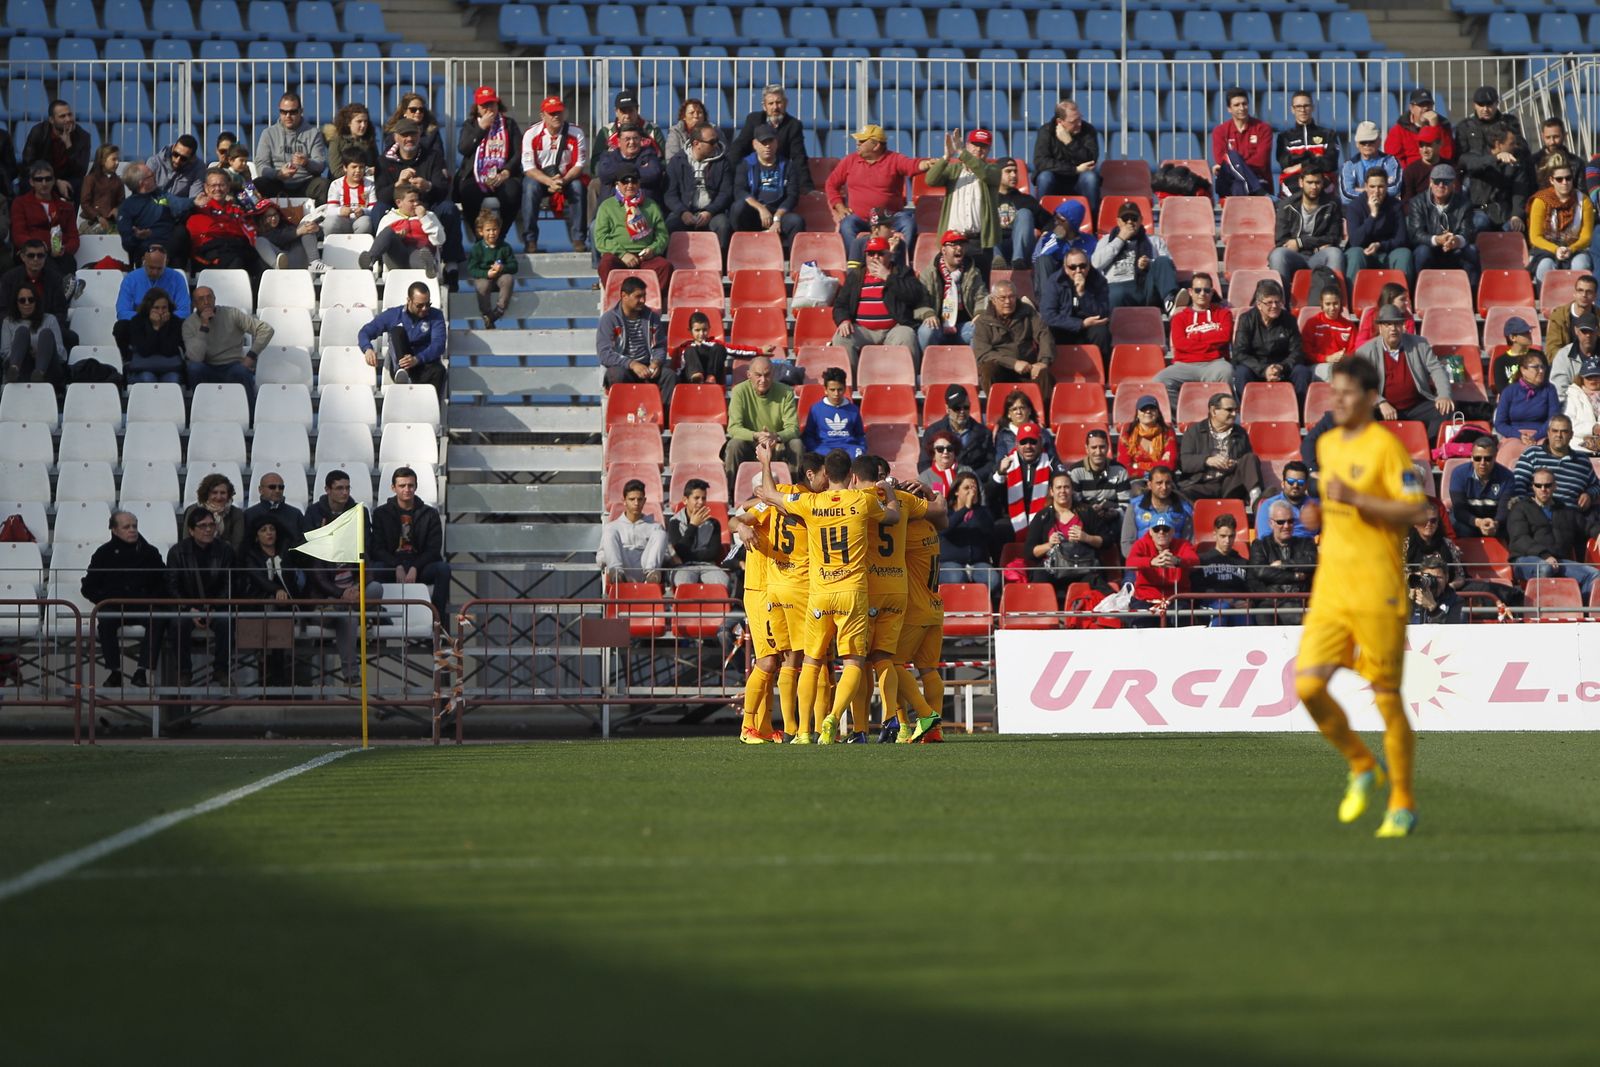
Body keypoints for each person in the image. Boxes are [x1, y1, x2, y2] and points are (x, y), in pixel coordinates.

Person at [1293, 356, 1430, 836]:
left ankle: (1402, 801)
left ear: (1371, 398)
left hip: (1378, 592)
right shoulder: (1327, 444)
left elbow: (1417, 510)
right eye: (1334, 390)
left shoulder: (1387, 449)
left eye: (1347, 392)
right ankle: (1362, 764)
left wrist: (1356, 499)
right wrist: (1319, 516)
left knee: (1386, 698)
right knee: (1307, 687)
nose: (1337, 399)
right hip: (1331, 590)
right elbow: (1334, 506)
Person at [752, 444, 899, 745]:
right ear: (851, 476)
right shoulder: (861, 501)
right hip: (852, 592)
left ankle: (803, 732)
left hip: (820, 593)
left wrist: (766, 462)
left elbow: (770, 495)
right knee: (854, 661)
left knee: (811, 661)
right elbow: (892, 517)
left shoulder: (810, 502)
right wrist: (891, 492)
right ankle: (833, 717)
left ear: (826, 474)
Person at [825, 124, 934, 266]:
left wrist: (927, 164)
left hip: (890, 218)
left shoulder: (894, 159)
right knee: (847, 225)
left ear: (876, 145)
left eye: (862, 141)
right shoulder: (850, 160)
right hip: (860, 218)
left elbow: (912, 165)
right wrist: (840, 207)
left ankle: (896, 264)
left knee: (908, 224)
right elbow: (831, 184)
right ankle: (859, 265)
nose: (858, 144)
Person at [82, 511, 167, 688]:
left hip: (143, 605)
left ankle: (142, 671)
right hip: (115, 606)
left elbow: (163, 581)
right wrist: (107, 599)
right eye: (127, 527)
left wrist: (151, 598)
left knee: (158, 618)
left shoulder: (150, 552)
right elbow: (88, 587)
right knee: (106, 619)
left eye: (134, 526)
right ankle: (114, 671)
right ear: (114, 530)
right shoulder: (104, 553)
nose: (132, 530)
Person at [1351, 304, 1456, 442]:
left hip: (1415, 406)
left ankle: (1428, 446)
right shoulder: (1365, 351)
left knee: (1446, 410)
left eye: (1397, 324)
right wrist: (1380, 402)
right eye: (1388, 324)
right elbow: (1361, 384)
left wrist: (1443, 395)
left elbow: (1437, 369)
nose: (1393, 329)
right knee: (1360, 414)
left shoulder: (1420, 344)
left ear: (1403, 326)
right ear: (1380, 328)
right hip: (1382, 408)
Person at [165, 506, 237, 686]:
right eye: (202, 526)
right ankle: (184, 672)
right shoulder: (177, 552)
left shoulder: (225, 551)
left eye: (211, 525)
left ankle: (221, 670)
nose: (208, 529)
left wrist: (213, 607)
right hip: (187, 607)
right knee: (178, 623)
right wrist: (189, 609)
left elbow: (229, 584)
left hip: (216, 606)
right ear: (191, 530)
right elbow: (172, 586)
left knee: (226, 622)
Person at [830, 235, 924, 371]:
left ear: (889, 255)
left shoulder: (902, 272)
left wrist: (888, 277)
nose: (875, 257)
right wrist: (844, 320)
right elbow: (840, 304)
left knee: (907, 335)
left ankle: (907, 380)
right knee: (841, 338)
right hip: (862, 329)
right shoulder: (856, 275)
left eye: (880, 254)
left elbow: (914, 295)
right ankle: (850, 381)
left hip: (893, 328)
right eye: (871, 254)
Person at [375, 117, 462, 263]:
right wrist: (398, 184)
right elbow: (381, 195)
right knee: (378, 209)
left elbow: (443, 190)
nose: (409, 138)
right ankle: (378, 259)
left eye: (413, 134)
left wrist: (428, 186)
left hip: (427, 206)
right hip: (397, 208)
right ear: (396, 137)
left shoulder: (433, 157)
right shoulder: (383, 160)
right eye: (404, 135)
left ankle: (451, 263)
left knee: (449, 208)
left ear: (419, 134)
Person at [370, 466, 449, 621]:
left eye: (410, 485)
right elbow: (377, 548)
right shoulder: (381, 513)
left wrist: (415, 567)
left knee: (443, 569)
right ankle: (379, 621)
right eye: (402, 485)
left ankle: (437, 621)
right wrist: (397, 565)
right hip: (392, 565)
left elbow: (433, 549)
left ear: (416, 487)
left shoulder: (430, 514)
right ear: (393, 488)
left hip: (420, 566)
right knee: (374, 569)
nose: (407, 489)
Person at [1507, 470, 1598, 598]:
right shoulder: (1520, 509)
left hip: (1558, 561)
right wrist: (1544, 555)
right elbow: (1520, 539)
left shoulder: (1565, 510)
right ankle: (1541, 608)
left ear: (1555, 486)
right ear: (1533, 487)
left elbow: (1587, 525)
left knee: (1594, 575)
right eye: (1538, 485)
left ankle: (1580, 608)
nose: (1543, 489)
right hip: (1526, 560)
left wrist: (1598, 533)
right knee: (1545, 568)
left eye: (1548, 485)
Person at [925, 129, 1002, 272]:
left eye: (983, 146)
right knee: (949, 282)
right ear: (967, 145)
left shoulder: (993, 170)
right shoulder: (954, 170)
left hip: (978, 241)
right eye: (975, 145)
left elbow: (985, 174)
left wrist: (961, 152)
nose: (978, 149)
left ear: (989, 149)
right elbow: (930, 180)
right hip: (952, 239)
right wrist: (946, 157)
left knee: (980, 283)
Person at [181, 286, 274, 404]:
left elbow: (266, 330)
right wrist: (204, 326)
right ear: (194, 304)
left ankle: (249, 413)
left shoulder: (231, 314)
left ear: (214, 299)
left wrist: (250, 357)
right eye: (201, 299)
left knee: (241, 371)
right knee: (194, 368)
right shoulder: (188, 324)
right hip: (207, 366)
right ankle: (202, 407)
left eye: (209, 297)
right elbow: (196, 358)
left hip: (232, 365)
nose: (206, 302)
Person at [518, 96, 587, 254]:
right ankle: (530, 240)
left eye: (559, 113)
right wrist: (550, 182)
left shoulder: (576, 133)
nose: (556, 116)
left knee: (578, 187)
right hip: (540, 178)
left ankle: (579, 238)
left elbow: (579, 165)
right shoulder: (531, 134)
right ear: (542, 116)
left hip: (566, 178)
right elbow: (529, 168)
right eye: (551, 113)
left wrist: (563, 181)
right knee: (529, 188)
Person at [453, 86, 522, 243]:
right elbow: (464, 149)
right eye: (484, 105)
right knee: (468, 193)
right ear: (477, 107)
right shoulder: (470, 125)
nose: (488, 109)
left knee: (513, 193)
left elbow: (518, 153)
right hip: (476, 175)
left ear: (498, 105)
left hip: (503, 174)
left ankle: (499, 236)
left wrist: (506, 172)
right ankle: (480, 237)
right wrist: (481, 128)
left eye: (491, 104)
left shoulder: (509, 124)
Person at [596, 275, 674, 411]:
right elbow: (605, 354)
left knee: (669, 376)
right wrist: (632, 364)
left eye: (644, 296)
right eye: (638, 296)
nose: (642, 300)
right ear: (624, 296)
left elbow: (660, 346)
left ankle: (662, 418)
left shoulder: (652, 317)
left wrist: (656, 362)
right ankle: (623, 416)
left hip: (647, 368)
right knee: (617, 374)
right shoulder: (609, 319)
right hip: (624, 368)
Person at [1157, 272, 1233, 411]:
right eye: (1198, 290)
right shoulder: (1179, 317)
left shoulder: (1224, 314)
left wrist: (1195, 338)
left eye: (1206, 290)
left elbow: (1225, 337)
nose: (1202, 294)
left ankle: (1219, 414)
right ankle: (1184, 414)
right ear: (1190, 292)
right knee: (1160, 381)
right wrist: (1211, 343)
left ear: (1212, 292)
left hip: (1214, 363)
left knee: (1226, 371)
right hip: (1185, 365)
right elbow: (1180, 344)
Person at [1024, 471, 1104, 599]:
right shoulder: (1043, 516)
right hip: (1053, 570)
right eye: (1058, 487)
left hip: (1082, 568)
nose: (1063, 491)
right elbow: (1029, 552)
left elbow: (1106, 540)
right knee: (1039, 577)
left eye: (1066, 487)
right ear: (1051, 491)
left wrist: (1086, 538)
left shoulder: (1086, 512)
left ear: (1072, 490)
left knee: (1096, 581)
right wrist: (1049, 545)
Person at [358, 281, 447, 396]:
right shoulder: (394, 315)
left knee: (440, 371)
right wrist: (367, 349)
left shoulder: (435, 316)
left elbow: (438, 344)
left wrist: (417, 359)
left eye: (428, 304)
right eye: (419, 305)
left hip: (424, 363)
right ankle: (402, 372)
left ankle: (431, 405)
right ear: (409, 301)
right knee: (397, 331)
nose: (424, 308)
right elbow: (365, 332)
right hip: (401, 363)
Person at [724, 355, 800, 488]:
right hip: (749, 444)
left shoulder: (786, 392)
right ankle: (730, 491)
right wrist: (756, 435)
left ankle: (796, 489)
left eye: (767, 375)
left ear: (773, 374)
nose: (763, 380)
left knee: (796, 444)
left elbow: (793, 428)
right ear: (749, 375)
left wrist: (776, 436)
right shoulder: (739, 391)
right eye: (758, 375)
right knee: (734, 445)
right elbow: (733, 428)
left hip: (776, 445)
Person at [593, 165, 671, 291]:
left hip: (645, 257)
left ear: (639, 183)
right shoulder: (607, 206)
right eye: (625, 181)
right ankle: (617, 299)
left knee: (664, 266)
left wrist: (653, 250)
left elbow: (662, 235)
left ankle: (651, 299)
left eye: (634, 181)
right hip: (619, 257)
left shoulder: (651, 205)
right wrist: (622, 254)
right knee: (606, 264)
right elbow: (601, 238)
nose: (630, 185)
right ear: (617, 184)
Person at [1090, 198, 1177, 311]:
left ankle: (1170, 302)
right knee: (1115, 293)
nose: (1130, 222)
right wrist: (1120, 239)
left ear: (1141, 220)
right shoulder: (1106, 240)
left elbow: (1169, 266)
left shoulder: (1154, 240)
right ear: (1118, 221)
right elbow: (1095, 264)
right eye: (1125, 219)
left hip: (1145, 286)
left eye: (1134, 218)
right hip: (1117, 285)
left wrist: (1150, 264)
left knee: (1163, 260)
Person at [1179, 392, 1263, 503]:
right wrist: (1207, 460)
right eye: (1229, 410)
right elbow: (1184, 462)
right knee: (1182, 494)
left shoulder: (1240, 433)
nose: (1234, 414)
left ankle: (1256, 499)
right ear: (1213, 411)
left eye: (1236, 410)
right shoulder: (1194, 432)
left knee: (1251, 458)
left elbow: (1247, 464)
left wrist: (1234, 463)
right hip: (1203, 483)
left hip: (1230, 483)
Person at [1232, 279, 1310, 399]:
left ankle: (1299, 408)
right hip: (1256, 366)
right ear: (1259, 305)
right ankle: (1246, 408)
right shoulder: (1246, 319)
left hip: (1282, 366)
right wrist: (1264, 370)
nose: (1274, 306)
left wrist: (1280, 367)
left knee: (1302, 372)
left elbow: (1297, 352)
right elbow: (1240, 353)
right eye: (1269, 303)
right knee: (1241, 373)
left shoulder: (1289, 320)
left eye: (1277, 302)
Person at [1406, 163, 1480, 288]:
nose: (1440, 185)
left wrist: (1457, 240)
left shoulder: (1464, 204)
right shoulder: (1417, 203)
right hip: (1430, 248)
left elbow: (1468, 231)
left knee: (1471, 250)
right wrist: (1437, 239)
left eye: (1446, 182)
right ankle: (1419, 290)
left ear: (1453, 184)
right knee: (1422, 252)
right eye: (1437, 181)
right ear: (1430, 183)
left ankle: (1472, 294)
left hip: (1454, 250)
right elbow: (1416, 234)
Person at [915, 229, 988, 354]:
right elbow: (919, 300)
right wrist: (928, 314)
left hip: (962, 327)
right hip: (937, 326)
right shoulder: (929, 273)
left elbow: (981, 296)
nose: (959, 248)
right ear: (943, 250)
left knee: (981, 328)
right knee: (926, 331)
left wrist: (980, 312)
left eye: (962, 245)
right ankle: (928, 362)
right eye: (954, 245)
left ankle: (974, 364)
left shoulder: (972, 272)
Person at [730, 123, 802, 250]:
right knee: (738, 208)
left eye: (771, 141)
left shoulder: (788, 166)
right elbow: (739, 191)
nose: (767, 146)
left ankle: (792, 259)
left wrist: (777, 217)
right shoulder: (746, 164)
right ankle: (743, 249)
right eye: (763, 142)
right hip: (754, 213)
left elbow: (792, 196)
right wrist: (760, 208)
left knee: (796, 221)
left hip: (778, 213)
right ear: (755, 144)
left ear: (776, 143)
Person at [728, 85, 811, 194]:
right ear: (764, 106)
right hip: (753, 172)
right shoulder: (754, 119)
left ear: (786, 103)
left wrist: (806, 187)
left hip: (778, 175)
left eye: (778, 102)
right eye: (771, 103)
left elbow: (798, 157)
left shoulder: (794, 125)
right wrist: (732, 177)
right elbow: (738, 147)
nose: (775, 107)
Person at [663, 123, 733, 251]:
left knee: (723, 225)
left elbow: (725, 193)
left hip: (712, 213)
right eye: (711, 142)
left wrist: (710, 211)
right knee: (670, 225)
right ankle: (672, 262)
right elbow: (670, 194)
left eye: (717, 140)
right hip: (684, 211)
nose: (716, 145)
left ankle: (721, 262)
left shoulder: (723, 162)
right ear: (696, 144)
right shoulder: (677, 161)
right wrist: (682, 212)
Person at [1527, 154, 1594, 285]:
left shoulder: (1584, 201)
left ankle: (1578, 297)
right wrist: (1555, 249)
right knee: (1545, 265)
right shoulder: (1540, 201)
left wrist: (1571, 249)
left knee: (1581, 264)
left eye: (1568, 178)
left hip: (1575, 249)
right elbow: (1535, 237)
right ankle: (1545, 296)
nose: (1565, 182)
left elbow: (1586, 237)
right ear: (1552, 180)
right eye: (1559, 179)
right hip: (1546, 250)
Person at [186, 169, 263, 282]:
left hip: (237, 248)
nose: (217, 189)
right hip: (210, 254)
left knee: (261, 267)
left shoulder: (236, 209)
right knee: (237, 261)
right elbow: (208, 231)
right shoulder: (198, 208)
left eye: (222, 185)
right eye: (213, 185)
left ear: (228, 187)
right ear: (206, 188)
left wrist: (225, 227)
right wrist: (231, 228)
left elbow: (250, 228)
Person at [1459, 121, 1533, 235]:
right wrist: (1496, 159)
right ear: (1498, 144)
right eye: (1511, 144)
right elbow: (1470, 163)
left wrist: (1517, 215)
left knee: (1514, 228)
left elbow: (1520, 191)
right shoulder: (1476, 155)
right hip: (1478, 211)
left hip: (1503, 213)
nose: (1515, 147)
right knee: (1480, 223)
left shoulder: (1516, 162)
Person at [1343, 166, 1414, 285]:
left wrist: (1380, 245)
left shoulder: (1396, 206)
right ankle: (1351, 295)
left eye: (1380, 186)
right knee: (1355, 253)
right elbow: (1355, 241)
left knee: (1404, 254)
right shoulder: (1355, 207)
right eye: (1372, 186)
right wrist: (1373, 216)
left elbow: (1402, 239)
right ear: (1366, 186)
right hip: (1363, 252)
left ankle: (1402, 294)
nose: (1376, 191)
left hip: (1388, 251)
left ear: (1386, 186)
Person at [1511, 414, 1600, 507]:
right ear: (1548, 433)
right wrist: (1525, 510)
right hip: (1536, 512)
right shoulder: (1532, 454)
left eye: (1564, 432)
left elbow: (1597, 485)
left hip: (1571, 513)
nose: (1559, 435)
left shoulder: (1582, 460)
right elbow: (1518, 485)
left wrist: (1589, 495)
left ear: (1571, 435)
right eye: (1555, 431)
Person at [254, 92, 330, 201]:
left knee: (323, 185)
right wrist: (278, 174)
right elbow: (261, 165)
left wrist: (306, 163)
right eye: (283, 112)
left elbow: (320, 164)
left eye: (293, 112)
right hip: (278, 183)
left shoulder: (314, 133)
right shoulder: (268, 133)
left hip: (305, 183)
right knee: (258, 184)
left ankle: (319, 212)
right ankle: (266, 212)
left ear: (301, 111)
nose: (288, 116)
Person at [1251, 498, 1319, 617]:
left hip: (1299, 601)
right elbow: (1261, 571)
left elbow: (1311, 562)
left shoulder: (1306, 542)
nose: (1286, 526)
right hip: (1270, 603)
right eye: (1280, 522)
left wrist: (1284, 564)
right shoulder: (1260, 545)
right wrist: (1295, 576)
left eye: (1290, 521)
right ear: (1271, 523)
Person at [12, 163, 80, 283]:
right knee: (43, 261)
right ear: (31, 182)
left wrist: (65, 248)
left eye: (48, 179)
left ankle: (67, 287)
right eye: (39, 179)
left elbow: (74, 238)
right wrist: (38, 246)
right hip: (33, 252)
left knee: (69, 261)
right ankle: (64, 286)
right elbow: (18, 234)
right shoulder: (21, 203)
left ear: (54, 181)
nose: (44, 183)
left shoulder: (66, 207)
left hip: (60, 253)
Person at [990, 422, 1056, 542]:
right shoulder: (1005, 463)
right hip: (1011, 517)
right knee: (998, 529)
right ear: (1016, 444)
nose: (1028, 446)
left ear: (1040, 442)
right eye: (1023, 442)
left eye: (1033, 442)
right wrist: (1000, 474)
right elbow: (989, 495)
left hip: (1044, 515)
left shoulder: (1051, 463)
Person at [940, 471, 1001, 601]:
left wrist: (975, 508)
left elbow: (989, 530)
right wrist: (965, 508)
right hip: (949, 564)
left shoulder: (982, 512)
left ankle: (979, 607)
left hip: (977, 564)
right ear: (956, 491)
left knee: (993, 580)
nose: (971, 491)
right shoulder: (945, 512)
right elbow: (945, 528)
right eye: (966, 488)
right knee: (957, 578)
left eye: (974, 488)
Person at [1041, 250, 1111, 361]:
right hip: (1064, 327)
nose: (1078, 271)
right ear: (1065, 268)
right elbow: (1048, 316)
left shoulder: (1098, 280)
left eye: (1082, 266)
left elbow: (1102, 313)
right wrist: (1081, 324)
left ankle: (1103, 369)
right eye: (1072, 267)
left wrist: (1082, 293)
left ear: (1088, 266)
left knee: (1101, 332)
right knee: (1048, 333)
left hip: (1090, 327)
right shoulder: (1054, 282)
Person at [362, 182, 444, 276]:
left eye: (417, 200)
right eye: (411, 201)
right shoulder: (388, 218)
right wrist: (397, 237)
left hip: (418, 254)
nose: (416, 204)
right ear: (399, 203)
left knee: (422, 254)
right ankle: (369, 259)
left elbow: (440, 240)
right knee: (389, 232)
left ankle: (429, 267)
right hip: (397, 258)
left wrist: (424, 218)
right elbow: (380, 242)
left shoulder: (429, 216)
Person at [1125, 519, 1199, 624]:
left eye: (1166, 529)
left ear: (1172, 532)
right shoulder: (1141, 544)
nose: (1161, 532)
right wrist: (1151, 562)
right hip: (1145, 599)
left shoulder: (1183, 545)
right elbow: (1130, 562)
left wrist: (1177, 560)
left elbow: (1195, 560)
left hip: (1176, 599)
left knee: (1182, 620)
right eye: (1156, 529)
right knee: (1141, 622)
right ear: (1150, 532)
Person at [1067, 428, 1131, 546]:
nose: (1098, 452)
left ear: (1108, 447)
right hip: (1086, 520)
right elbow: (1073, 505)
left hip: (1113, 519)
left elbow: (1126, 505)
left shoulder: (1120, 470)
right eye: (1094, 447)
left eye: (1102, 447)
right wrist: (1090, 511)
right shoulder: (1075, 471)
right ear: (1086, 449)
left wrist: (1114, 513)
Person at [1032, 99, 1101, 207]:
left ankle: (1093, 216)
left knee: (1090, 178)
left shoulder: (1088, 130)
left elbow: (1090, 160)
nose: (1079, 124)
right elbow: (1041, 162)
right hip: (1055, 179)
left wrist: (1070, 142)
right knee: (1044, 177)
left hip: (1079, 180)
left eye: (1080, 118)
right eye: (1073, 121)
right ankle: (1042, 215)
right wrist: (1074, 170)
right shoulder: (1046, 131)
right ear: (1060, 121)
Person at [923, 384, 997, 481]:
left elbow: (990, 464)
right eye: (957, 408)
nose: (962, 411)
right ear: (947, 409)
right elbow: (924, 464)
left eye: (966, 407)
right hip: (940, 483)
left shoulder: (984, 433)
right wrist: (943, 479)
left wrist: (970, 478)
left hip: (972, 483)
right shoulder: (932, 432)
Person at [21, 100, 91, 201]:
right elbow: (28, 164)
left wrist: (69, 146)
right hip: (43, 176)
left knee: (81, 184)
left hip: (68, 179)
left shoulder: (83, 136)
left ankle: (71, 211)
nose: (68, 119)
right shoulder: (39, 132)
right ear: (51, 120)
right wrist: (55, 181)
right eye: (62, 116)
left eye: (70, 115)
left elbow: (81, 171)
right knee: (27, 182)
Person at [666, 478, 729, 590]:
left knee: (723, 582)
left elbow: (713, 553)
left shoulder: (714, 523)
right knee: (684, 583)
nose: (701, 502)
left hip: (708, 566)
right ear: (685, 500)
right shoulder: (674, 522)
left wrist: (689, 555)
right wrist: (693, 526)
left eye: (703, 498)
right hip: (683, 567)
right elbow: (679, 551)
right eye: (696, 498)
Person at [117, 163, 186, 264]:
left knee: (181, 232)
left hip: (171, 250)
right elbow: (127, 243)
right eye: (151, 175)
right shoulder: (126, 207)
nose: (155, 177)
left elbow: (180, 206)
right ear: (142, 183)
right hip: (146, 255)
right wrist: (137, 237)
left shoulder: (161, 196)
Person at [1276, 91, 1340, 200]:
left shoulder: (1328, 134)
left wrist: (1301, 164)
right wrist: (1314, 156)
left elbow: (1330, 164)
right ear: (1292, 109)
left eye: (1306, 106)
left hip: (1322, 181)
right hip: (1292, 183)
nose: (1303, 110)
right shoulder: (1284, 137)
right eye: (1298, 106)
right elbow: (1285, 164)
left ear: (1312, 108)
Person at [1211, 88, 1274, 198]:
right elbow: (1221, 160)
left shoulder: (1263, 129)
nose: (1242, 108)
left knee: (1238, 184)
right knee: (1232, 156)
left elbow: (1261, 161)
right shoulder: (1220, 131)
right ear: (1229, 109)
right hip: (1231, 181)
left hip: (1259, 178)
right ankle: (1257, 189)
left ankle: (1254, 188)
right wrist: (1235, 161)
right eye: (1237, 105)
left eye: (1244, 104)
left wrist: (1236, 163)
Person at [1119, 465, 1193, 557]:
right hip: (1143, 562)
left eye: (1168, 483)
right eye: (1159, 483)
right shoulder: (1134, 507)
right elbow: (1126, 545)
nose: (1164, 487)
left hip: (1173, 562)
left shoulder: (1184, 509)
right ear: (1149, 485)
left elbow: (1189, 543)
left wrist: (1171, 560)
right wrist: (1149, 561)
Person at [115, 288, 185, 384]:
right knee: (148, 378)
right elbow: (145, 351)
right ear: (148, 307)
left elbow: (169, 351)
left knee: (173, 379)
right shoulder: (137, 321)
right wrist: (156, 328)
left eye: (164, 307)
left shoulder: (175, 322)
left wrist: (163, 327)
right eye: (156, 308)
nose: (161, 312)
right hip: (143, 368)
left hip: (169, 367)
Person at [1448, 434, 1513, 538]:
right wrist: (1478, 523)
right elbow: (1459, 510)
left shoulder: (1507, 477)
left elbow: (1504, 510)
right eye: (1478, 458)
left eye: (1488, 458)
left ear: (1495, 457)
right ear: (1471, 457)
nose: (1482, 463)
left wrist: (1495, 524)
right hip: (1467, 520)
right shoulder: (1459, 474)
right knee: (1461, 528)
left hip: (1494, 521)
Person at [1192, 514, 1251, 627]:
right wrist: (1222, 598)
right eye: (1223, 536)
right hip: (1210, 602)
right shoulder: (1202, 560)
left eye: (1231, 536)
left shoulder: (1243, 562)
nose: (1227, 541)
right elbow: (1197, 587)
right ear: (1215, 535)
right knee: (1222, 608)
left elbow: (1251, 586)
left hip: (1237, 603)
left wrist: (1249, 602)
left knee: (1244, 615)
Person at [1031, 199, 1097, 298]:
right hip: (1052, 284)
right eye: (1055, 218)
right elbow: (1037, 261)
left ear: (1073, 223)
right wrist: (1055, 240)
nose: (1056, 222)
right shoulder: (1049, 238)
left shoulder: (1089, 241)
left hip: (1078, 282)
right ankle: (1048, 304)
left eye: (1061, 220)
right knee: (1044, 259)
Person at [2, 282, 64, 384]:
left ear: (36, 301)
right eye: (22, 300)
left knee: (46, 334)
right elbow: (5, 353)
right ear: (16, 303)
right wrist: (24, 351)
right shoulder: (8, 322)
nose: (27, 303)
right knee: (22, 332)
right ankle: (14, 369)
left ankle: (39, 373)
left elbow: (62, 353)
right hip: (22, 367)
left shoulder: (50, 319)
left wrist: (42, 351)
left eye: (31, 300)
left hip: (48, 370)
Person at [1494, 351, 1561, 443]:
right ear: (1523, 370)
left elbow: (1553, 419)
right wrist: (1519, 436)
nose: (1541, 371)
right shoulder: (1509, 391)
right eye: (1536, 367)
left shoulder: (1549, 389)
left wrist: (1536, 437)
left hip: (1542, 435)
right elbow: (1500, 423)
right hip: (1514, 436)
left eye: (1542, 367)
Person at [466, 208, 517, 328]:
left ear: (499, 230)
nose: (492, 233)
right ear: (481, 232)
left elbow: (514, 266)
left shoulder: (504, 247)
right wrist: (486, 274)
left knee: (508, 279)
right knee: (482, 286)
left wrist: (502, 268)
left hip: (500, 278)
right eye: (488, 230)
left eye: (494, 229)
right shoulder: (477, 248)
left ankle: (499, 310)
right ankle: (487, 315)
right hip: (485, 277)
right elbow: (472, 269)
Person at [801, 366, 865, 458]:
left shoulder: (853, 409)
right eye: (832, 390)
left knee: (858, 456)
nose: (836, 394)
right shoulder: (816, 409)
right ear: (825, 390)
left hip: (848, 448)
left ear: (845, 388)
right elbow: (808, 435)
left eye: (839, 389)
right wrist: (816, 449)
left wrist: (861, 448)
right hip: (824, 448)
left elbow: (860, 435)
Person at [1385, 88, 1456, 171]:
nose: (1426, 108)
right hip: (1411, 174)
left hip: (1437, 171)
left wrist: (1435, 128)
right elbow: (1393, 159)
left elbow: (1447, 155)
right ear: (1411, 108)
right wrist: (1410, 172)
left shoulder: (1443, 127)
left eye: (1428, 104)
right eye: (1421, 105)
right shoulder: (1399, 129)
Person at [117, 243, 191, 321]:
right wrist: (148, 318)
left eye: (159, 268)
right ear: (143, 261)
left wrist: (164, 318)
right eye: (151, 268)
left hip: (168, 324)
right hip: (139, 324)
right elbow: (122, 312)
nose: (155, 272)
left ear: (166, 262)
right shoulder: (130, 279)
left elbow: (185, 311)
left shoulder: (177, 278)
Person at [993, 157, 1043, 270]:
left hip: (1021, 249)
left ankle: (1018, 260)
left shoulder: (1027, 200)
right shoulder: (987, 200)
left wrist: (1046, 233)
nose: (1014, 175)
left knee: (1025, 213)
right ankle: (996, 259)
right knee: (985, 212)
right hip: (995, 247)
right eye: (1008, 171)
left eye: (1015, 171)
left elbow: (1049, 223)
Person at [1117, 395, 1178, 486]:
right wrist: (1153, 469)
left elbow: (1171, 464)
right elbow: (1124, 467)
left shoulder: (1167, 431)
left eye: (1152, 408)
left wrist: (1138, 465)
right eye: (1144, 409)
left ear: (1158, 413)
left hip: (1163, 479)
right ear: (1137, 413)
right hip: (1136, 479)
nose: (1148, 411)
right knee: (1139, 490)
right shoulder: (1127, 432)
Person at [1300, 286, 1357, 383]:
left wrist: (1345, 358)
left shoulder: (1349, 326)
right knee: (1332, 371)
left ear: (1340, 303)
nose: (1332, 308)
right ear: (1321, 304)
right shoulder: (1312, 323)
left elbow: (1355, 350)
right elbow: (1306, 351)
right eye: (1328, 304)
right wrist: (1327, 358)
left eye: (1335, 303)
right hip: (1318, 366)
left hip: (1343, 367)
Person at [183, 472, 248, 553]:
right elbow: (186, 540)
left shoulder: (236, 513)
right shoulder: (193, 510)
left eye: (223, 493)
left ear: (229, 494)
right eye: (214, 492)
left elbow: (237, 544)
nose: (219, 497)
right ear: (206, 494)